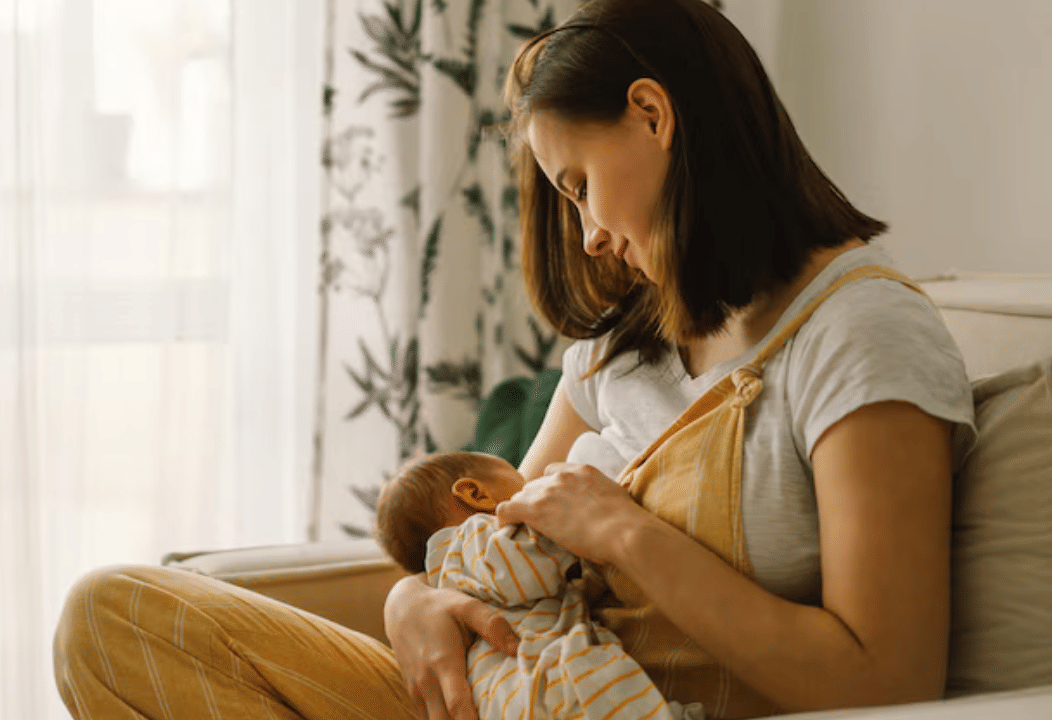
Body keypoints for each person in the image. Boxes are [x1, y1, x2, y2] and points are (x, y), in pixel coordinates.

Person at [51, 1, 976, 718]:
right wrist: (410, 603)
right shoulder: (623, 343)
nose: (592, 236)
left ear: (653, 115)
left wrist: (626, 535)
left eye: (579, 187)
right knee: (111, 619)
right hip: (512, 694)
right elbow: (492, 548)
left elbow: (885, 682)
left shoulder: (860, 336)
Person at [375, 450, 703, 720]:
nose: (536, 487)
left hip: (510, 690)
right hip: (537, 676)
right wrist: (577, 521)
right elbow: (525, 569)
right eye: (525, 483)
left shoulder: (454, 572)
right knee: (600, 689)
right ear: (476, 493)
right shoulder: (472, 537)